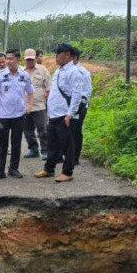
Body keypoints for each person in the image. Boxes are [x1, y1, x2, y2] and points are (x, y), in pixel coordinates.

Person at [33, 43, 83, 183]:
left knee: (67, 145)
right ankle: (49, 169)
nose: (56, 57)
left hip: (64, 115)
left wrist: (70, 114)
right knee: (52, 144)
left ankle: (67, 172)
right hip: (54, 114)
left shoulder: (74, 72)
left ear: (67, 55)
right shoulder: (59, 70)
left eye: (58, 54)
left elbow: (76, 95)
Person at [0, 49, 34, 180]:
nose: (8, 61)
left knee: (16, 144)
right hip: (3, 115)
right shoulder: (0, 75)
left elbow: (30, 92)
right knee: (2, 144)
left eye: (11, 58)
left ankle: (13, 169)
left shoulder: (24, 75)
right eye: (7, 58)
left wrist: (29, 105)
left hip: (19, 115)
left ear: (18, 60)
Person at [22, 48, 51, 159]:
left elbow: (49, 87)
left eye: (31, 59)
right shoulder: (21, 71)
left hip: (39, 106)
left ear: (35, 58)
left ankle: (45, 150)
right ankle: (33, 149)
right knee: (27, 130)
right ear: (24, 59)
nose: (29, 61)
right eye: (27, 59)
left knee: (42, 130)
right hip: (25, 106)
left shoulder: (43, 70)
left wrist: (47, 100)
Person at [70, 47, 92, 165]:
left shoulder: (83, 72)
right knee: (69, 131)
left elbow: (87, 92)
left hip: (79, 107)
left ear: (74, 58)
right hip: (69, 106)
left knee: (76, 131)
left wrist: (80, 107)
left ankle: (75, 158)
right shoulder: (69, 71)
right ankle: (69, 155)